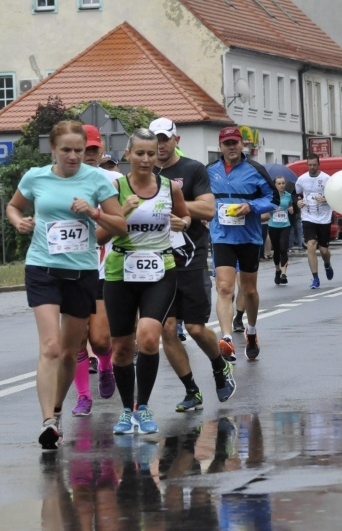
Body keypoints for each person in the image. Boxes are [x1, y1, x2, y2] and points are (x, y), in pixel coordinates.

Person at [6, 119, 126, 450]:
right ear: (53, 149)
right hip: (42, 268)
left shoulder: (97, 180)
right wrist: (19, 222)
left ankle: (57, 409)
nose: (73, 156)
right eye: (66, 150)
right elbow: (14, 206)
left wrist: (94, 213)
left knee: (71, 353)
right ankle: (47, 421)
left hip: (82, 272)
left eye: (78, 150)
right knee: (51, 347)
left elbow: (120, 225)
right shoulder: (35, 177)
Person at [98, 127, 191, 434]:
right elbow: (99, 236)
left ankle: (144, 407)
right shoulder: (115, 188)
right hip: (120, 272)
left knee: (149, 337)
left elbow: (185, 217)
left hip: (160, 270)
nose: (146, 159)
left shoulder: (170, 187)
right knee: (122, 348)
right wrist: (121, 215)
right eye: (140, 153)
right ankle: (127, 410)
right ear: (128, 154)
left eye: (151, 153)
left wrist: (183, 222)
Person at [149, 117, 236, 413]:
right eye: (155, 140)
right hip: (157, 261)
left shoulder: (193, 169)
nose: (160, 145)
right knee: (168, 330)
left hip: (190, 257)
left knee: (196, 328)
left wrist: (171, 206)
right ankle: (191, 390)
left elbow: (208, 209)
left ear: (176, 140)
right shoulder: (143, 172)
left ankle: (219, 366)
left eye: (165, 139)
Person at [209, 126, 279, 361]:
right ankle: (227, 338)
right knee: (224, 288)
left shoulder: (255, 169)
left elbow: (274, 199)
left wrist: (252, 206)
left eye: (235, 143)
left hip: (249, 237)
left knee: (248, 290)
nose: (231, 147)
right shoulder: (210, 171)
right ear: (220, 146)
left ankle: (252, 330)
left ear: (242, 145)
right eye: (227, 144)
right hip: (222, 237)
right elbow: (200, 197)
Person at [70, 124, 120, 417]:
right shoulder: (58, 180)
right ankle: (83, 396)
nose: (87, 154)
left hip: (101, 269)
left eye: (92, 149)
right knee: (77, 338)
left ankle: (105, 365)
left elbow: (123, 220)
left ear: (100, 150)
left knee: (100, 340)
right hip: (70, 269)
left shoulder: (114, 180)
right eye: (82, 149)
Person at [295, 154, 334, 288]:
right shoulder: (302, 179)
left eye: (314, 165)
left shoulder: (327, 179)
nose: (312, 167)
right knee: (311, 245)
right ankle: (315, 278)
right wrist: (298, 202)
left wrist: (326, 199)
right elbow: (296, 194)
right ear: (307, 165)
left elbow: (335, 196)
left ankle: (327, 264)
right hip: (308, 216)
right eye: (310, 165)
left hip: (324, 218)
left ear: (319, 165)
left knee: (324, 251)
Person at [265, 175, 295, 284]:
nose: (281, 185)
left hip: (285, 225)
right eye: (279, 183)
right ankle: (277, 270)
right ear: (275, 185)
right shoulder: (271, 196)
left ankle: (284, 274)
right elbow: (265, 208)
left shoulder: (288, 195)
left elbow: (291, 206)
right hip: (273, 226)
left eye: (283, 183)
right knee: (277, 250)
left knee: (283, 249)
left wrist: (291, 209)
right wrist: (272, 209)